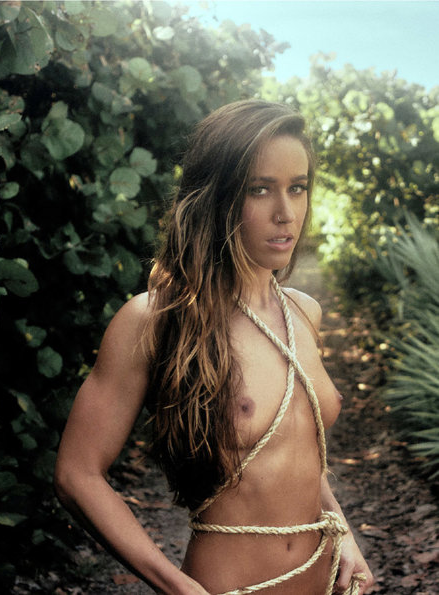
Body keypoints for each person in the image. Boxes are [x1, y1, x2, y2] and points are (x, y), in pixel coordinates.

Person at [54, 100, 374, 595]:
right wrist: (178, 587)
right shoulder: (157, 319)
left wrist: (345, 534)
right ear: (217, 196)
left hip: (324, 581)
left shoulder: (303, 313)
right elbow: (76, 475)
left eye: (297, 187)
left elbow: (295, 453)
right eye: (259, 189)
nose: (286, 213)